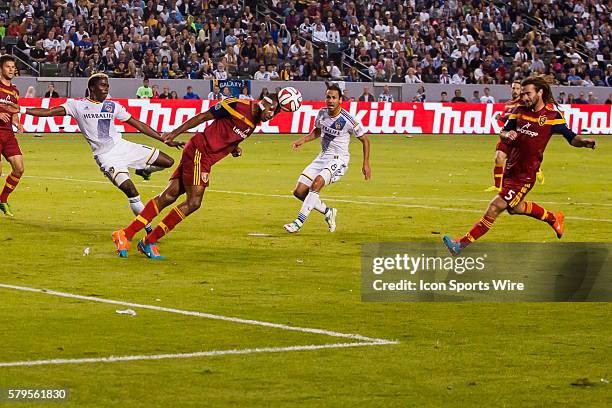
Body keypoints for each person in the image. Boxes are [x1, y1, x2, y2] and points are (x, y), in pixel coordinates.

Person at [112, 93, 282, 259]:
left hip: (204, 155)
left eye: (274, 114)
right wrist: (175, 132)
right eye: (271, 110)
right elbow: (203, 116)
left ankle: (126, 234)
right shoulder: (236, 105)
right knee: (193, 202)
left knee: (169, 195)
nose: (270, 116)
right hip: (200, 151)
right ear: (264, 103)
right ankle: (149, 240)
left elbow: (229, 133)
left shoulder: (255, 122)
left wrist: (234, 147)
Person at [443, 76, 596, 256]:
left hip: (525, 175)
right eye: (522, 94)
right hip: (511, 170)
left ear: (540, 92)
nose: (524, 97)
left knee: (495, 207)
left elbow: (572, 138)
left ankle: (460, 244)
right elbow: (503, 131)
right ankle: (553, 218)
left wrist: (584, 142)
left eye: (528, 94)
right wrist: (507, 135)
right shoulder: (519, 110)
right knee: (515, 208)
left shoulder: (553, 117)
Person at [11, 73, 183, 231]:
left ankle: (143, 170)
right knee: (131, 191)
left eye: (107, 85)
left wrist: (163, 139)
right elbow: (49, 112)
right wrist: (22, 110)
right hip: (107, 157)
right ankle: (148, 228)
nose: (106, 88)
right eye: (103, 85)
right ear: (92, 88)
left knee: (168, 161)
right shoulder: (77, 106)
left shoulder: (112, 106)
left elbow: (137, 124)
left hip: (123, 147)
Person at [283, 84, 371, 233]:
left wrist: (366, 163)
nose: (330, 100)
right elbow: (318, 131)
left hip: (339, 160)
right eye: (328, 97)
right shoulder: (322, 113)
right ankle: (328, 212)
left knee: (316, 184)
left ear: (340, 100)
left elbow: (365, 140)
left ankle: (298, 222)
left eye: (334, 98)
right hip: (322, 158)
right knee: (299, 192)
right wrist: (303, 140)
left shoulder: (348, 120)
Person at [0, 56, 24, 217]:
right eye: (8, 66)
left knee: (19, 168)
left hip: (8, 134)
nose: (11, 69)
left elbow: (14, 112)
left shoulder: (15, 91)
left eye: (13, 67)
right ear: (1, 69)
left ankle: (2, 199)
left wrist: (17, 123)